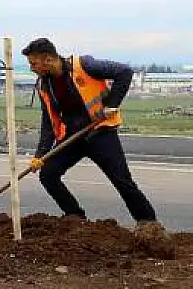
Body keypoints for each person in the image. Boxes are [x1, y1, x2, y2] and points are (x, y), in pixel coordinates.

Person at [22, 37, 163, 235]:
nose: (32, 68)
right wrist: (40, 155)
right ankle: (75, 216)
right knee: (48, 174)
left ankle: (148, 223)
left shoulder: (84, 65)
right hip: (73, 137)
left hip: (100, 132)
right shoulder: (44, 85)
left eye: (33, 63)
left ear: (48, 59)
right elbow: (48, 123)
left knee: (122, 180)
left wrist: (112, 104)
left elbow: (124, 72)